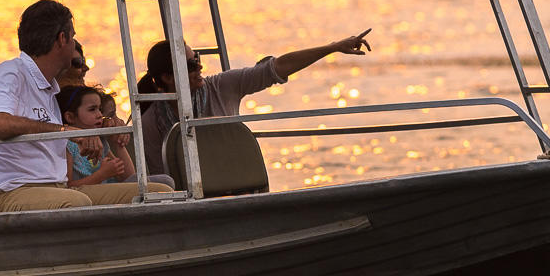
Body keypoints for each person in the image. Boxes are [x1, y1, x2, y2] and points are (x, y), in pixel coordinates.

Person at [0, 0, 171, 213]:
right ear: (62, 39)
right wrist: (65, 131)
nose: (74, 43)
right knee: (76, 203)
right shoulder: (11, 73)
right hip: (6, 193)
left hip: (58, 188)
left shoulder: (49, 87)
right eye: (73, 37)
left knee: (158, 192)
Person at [138, 29, 374, 175]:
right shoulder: (151, 123)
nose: (199, 67)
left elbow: (277, 68)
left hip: (236, 182)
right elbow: (165, 179)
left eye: (197, 59)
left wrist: (332, 48)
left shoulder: (222, 86)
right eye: (190, 65)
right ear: (167, 77)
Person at [59, 85, 137, 189]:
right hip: (90, 198)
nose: (100, 114)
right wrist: (101, 175)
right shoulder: (67, 145)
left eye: (100, 109)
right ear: (70, 117)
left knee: (163, 180)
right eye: (92, 109)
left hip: (109, 192)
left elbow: (129, 177)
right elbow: (67, 187)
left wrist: (117, 142)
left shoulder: (101, 140)